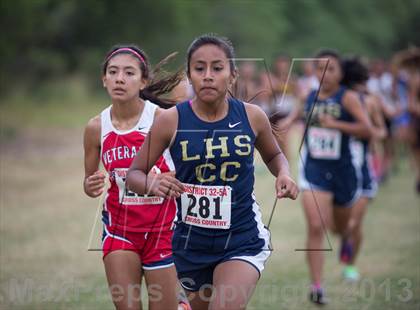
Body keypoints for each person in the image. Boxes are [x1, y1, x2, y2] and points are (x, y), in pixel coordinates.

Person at [127, 34, 299, 310]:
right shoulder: (171, 121)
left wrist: (284, 174)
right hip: (190, 243)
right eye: (199, 68)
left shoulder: (252, 116)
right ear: (189, 76)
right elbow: (134, 174)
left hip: (242, 238)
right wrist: (153, 183)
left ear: (232, 75)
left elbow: (274, 154)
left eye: (217, 68)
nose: (208, 76)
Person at [83, 45, 188, 310]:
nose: (120, 78)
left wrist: (164, 180)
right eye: (113, 72)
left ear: (143, 81)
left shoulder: (163, 119)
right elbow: (89, 180)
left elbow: (188, 170)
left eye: (129, 73)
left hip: (163, 230)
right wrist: (89, 184)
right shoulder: (96, 127)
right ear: (103, 79)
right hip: (120, 229)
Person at [298, 50, 372, 304]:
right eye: (319, 69)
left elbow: (367, 129)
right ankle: (317, 286)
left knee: (342, 229)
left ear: (341, 74)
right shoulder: (308, 96)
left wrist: (337, 125)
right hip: (314, 170)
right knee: (317, 226)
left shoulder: (348, 98)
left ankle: (348, 241)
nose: (325, 74)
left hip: (343, 172)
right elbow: (297, 119)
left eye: (331, 69)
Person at [340, 57, 387, 281]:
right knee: (342, 223)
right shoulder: (335, 100)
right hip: (338, 169)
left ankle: (350, 264)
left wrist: (366, 132)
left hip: (362, 170)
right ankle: (345, 242)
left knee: (354, 223)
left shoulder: (370, 101)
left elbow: (381, 131)